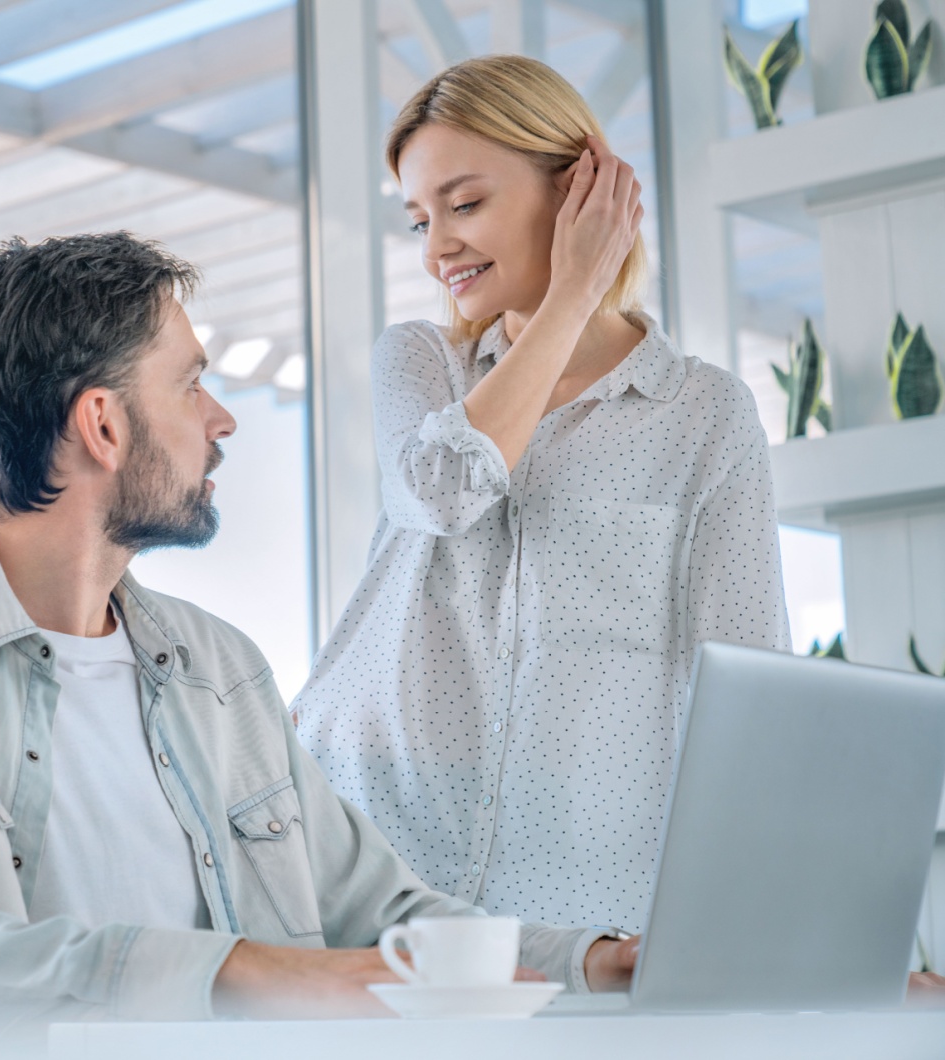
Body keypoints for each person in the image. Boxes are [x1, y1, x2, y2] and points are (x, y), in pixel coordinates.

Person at [0, 232, 637, 1046]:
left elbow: (388, 915)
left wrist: (597, 962)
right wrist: (242, 976)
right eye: (190, 383)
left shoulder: (222, 669)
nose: (222, 419)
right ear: (102, 424)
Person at [293, 55, 790, 935]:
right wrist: (571, 297)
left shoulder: (704, 412)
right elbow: (443, 494)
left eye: (466, 202)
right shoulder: (421, 361)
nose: (437, 245)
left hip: (585, 892)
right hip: (378, 859)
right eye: (419, 219)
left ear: (579, 190)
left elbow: (746, 682)